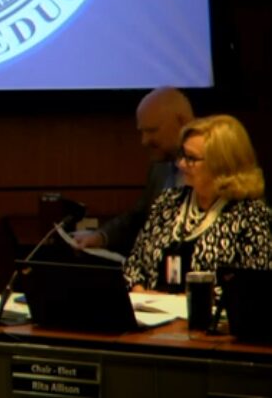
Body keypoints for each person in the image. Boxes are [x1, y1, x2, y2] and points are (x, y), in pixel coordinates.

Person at [123, 115, 272, 292]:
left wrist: (191, 304)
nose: (181, 164)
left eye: (191, 159)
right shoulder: (168, 202)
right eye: (182, 155)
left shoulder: (252, 216)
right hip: (152, 316)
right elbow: (133, 266)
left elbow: (253, 291)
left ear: (221, 164)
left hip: (209, 319)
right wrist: (141, 293)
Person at [74, 86, 195, 256]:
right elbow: (138, 217)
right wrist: (101, 237)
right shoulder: (159, 166)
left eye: (152, 131)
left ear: (183, 122)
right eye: (142, 132)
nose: (144, 141)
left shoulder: (214, 168)